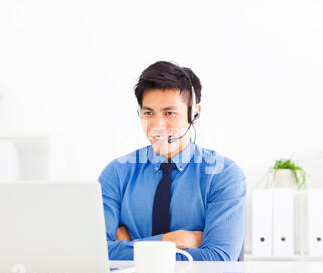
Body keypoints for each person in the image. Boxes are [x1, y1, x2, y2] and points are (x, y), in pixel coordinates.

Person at [98, 61, 246, 261]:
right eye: (148, 113)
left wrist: (130, 248)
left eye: (170, 113)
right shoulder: (117, 173)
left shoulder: (223, 175)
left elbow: (217, 259)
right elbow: (97, 253)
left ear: (194, 113)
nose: (158, 126)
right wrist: (171, 241)